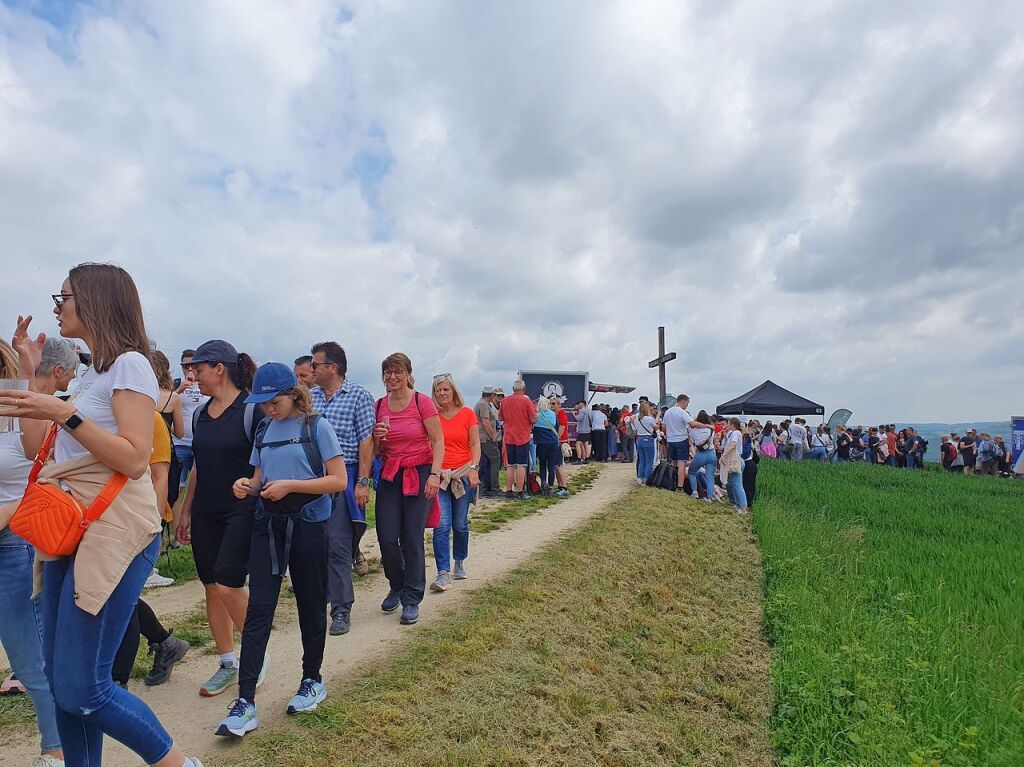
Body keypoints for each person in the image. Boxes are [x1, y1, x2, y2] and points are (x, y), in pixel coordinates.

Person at [1, 264, 203, 767]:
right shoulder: (96, 372)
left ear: (93, 300)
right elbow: (35, 449)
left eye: (63, 296)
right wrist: (32, 378)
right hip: (74, 530)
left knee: (86, 688)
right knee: (59, 675)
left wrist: (64, 412)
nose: (56, 305)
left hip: (114, 532)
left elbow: (135, 456)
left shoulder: (131, 364)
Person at [215, 363, 346, 738]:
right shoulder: (263, 428)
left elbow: (337, 479)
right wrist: (247, 485)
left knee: (310, 605)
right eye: (263, 403)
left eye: (273, 402)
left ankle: (312, 679)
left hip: (308, 526)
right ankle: (245, 702)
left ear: (293, 393)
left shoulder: (316, 426)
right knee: (258, 611)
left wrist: (291, 485)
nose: (268, 409)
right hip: (268, 527)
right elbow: (259, 479)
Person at [175, 339, 266, 698]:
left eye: (198, 369)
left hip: (241, 509)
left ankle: (256, 656)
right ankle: (228, 662)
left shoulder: (252, 410)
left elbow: (265, 461)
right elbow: (198, 463)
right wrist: (185, 509)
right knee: (211, 587)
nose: (193, 375)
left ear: (219, 368)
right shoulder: (200, 414)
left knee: (229, 584)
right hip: (205, 511)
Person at [0, 337, 65, 767]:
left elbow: (34, 477)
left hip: (14, 546)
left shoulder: (18, 410)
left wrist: (28, 369)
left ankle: (55, 749)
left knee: (30, 660)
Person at [308, 341, 375, 637]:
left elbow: (366, 441)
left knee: (337, 543)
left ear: (332, 368)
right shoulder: (310, 397)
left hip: (345, 475)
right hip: (313, 477)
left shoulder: (359, 395)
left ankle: (341, 608)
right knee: (314, 543)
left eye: (315, 365)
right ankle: (317, 599)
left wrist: (362, 481)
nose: (312, 370)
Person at [373, 353, 444, 626]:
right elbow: (377, 450)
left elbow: (438, 441)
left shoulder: (421, 402)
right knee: (387, 537)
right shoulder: (380, 405)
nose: (392, 377)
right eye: (388, 372)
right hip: (391, 473)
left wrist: (435, 475)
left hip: (420, 471)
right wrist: (378, 440)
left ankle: (412, 598)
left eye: (398, 372)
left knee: (411, 537)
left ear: (408, 374)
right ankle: (397, 584)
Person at [430, 374, 479, 592]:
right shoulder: (432, 416)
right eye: (438, 390)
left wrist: (474, 469)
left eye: (445, 390)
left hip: (462, 475)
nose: (442, 393)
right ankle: (442, 572)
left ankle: (459, 559)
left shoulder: (467, 414)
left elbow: (475, 444)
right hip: (441, 476)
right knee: (441, 526)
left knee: (460, 525)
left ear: (453, 392)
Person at [172, 349, 209, 489]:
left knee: (200, 484)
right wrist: (179, 390)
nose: (189, 369)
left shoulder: (206, 385)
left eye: (193, 365)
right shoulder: (176, 383)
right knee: (177, 484)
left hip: (201, 442)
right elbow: (166, 405)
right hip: (180, 442)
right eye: (185, 366)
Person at [498, 380, 537, 500]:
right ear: (524, 389)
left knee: (510, 465)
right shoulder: (526, 401)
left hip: (509, 437)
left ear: (513, 389)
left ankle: (509, 491)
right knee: (521, 465)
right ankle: (520, 491)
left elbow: (500, 417)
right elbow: (533, 419)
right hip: (522, 437)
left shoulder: (505, 401)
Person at [474, 387, 500, 497]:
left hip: (481, 438)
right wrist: (493, 435)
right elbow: (485, 422)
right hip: (485, 438)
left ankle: (484, 488)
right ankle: (494, 488)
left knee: (484, 463)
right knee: (495, 460)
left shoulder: (480, 403)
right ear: (491, 395)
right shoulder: (484, 405)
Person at [532, 396, 561, 496]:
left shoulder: (537, 416)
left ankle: (543, 483)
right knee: (551, 465)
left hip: (541, 444)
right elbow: (557, 428)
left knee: (543, 465)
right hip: (552, 443)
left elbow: (532, 428)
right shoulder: (553, 414)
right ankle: (551, 487)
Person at [687, 410, 717, 501]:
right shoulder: (711, 429)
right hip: (711, 453)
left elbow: (692, 443)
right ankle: (710, 497)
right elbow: (714, 440)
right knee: (710, 476)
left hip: (700, 455)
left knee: (691, 472)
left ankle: (695, 492)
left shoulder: (693, 431)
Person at [720, 418, 748, 514]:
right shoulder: (734, 433)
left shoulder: (736, 433)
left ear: (731, 424)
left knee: (737, 484)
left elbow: (733, 445)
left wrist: (724, 455)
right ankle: (738, 504)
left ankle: (743, 507)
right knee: (733, 484)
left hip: (735, 461)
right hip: (737, 460)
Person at [662, 394, 692, 477]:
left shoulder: (667, 412)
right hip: (681, 440)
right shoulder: (682, 412)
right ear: (683, 401)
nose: (687, 406)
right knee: (681, 464)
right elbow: (691, 424)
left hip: (671, 440)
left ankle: (672, 480)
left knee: (673, 462)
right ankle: (680, 486)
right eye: (687, 403)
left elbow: (664, 427)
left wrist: (668, 435)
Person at [633, 401, 657, 485]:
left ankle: (640, 477)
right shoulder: (649, 419)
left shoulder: (636, 419)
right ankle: (647, 479)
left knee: (642, 460)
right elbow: (656, 428)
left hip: (640, 439)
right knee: (649, 461)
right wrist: (657, 418)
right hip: (648, 439)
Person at [550, 397, 570, 494]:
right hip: (557, 441)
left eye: (553, 404)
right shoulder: (554, 414)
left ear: (559, 404)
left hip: (560, 441)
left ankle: (564, 487)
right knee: (555, 465)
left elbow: (562, 426)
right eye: (551, 404)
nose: (551, 405)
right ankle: (560, 486)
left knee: (558, 465)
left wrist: (557, 438)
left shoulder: (561, 413)